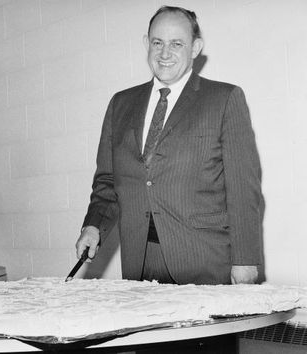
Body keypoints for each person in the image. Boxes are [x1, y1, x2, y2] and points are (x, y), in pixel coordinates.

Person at [75, 5, 263, 285]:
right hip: (140, 261)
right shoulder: (120, 104)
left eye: (177, 43)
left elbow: (243, 190)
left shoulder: (224, 99)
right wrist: (93, 226)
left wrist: (246, 260)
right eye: (157, 42)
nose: (165, 53)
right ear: (146, 44)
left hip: (205, 260)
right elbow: (107, 182)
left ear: (195, 47)